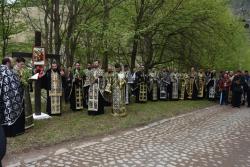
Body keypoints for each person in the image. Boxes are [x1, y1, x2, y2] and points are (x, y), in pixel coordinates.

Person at [1, 57, 25, 137]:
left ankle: (4, 132)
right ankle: (12, 132)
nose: (12, 63)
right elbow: (16, 84)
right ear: (8, 62)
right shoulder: (9, 72)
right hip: (10, 98)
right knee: (11, 113)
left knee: (4, 115)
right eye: (11, 62)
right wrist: (22, 84)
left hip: (3, 98)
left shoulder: (1, 70)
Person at [13, 57, 34, 129]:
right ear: (17, 63)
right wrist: (21, 80)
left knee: (27, 106)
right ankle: (22, 123)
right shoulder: (14, 70)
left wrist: (30, 79)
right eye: (21, 64)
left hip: (25, 90)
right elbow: (15, 81)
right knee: (21, 106)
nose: (22, 66)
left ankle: (28, 122)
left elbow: (26, 79)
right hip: (18, 92)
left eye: (23, 64)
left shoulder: (24, 70)